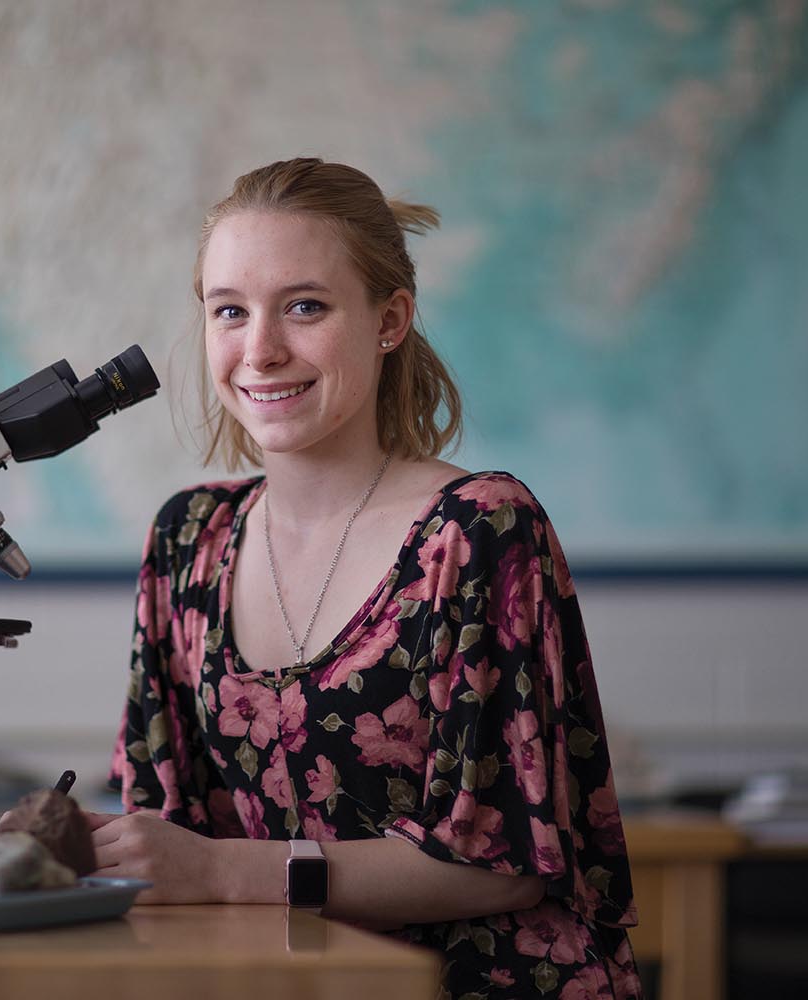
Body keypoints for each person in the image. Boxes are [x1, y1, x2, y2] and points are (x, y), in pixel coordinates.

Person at [95, 157, 642, 1000]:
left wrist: (228, 872)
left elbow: (502, 867)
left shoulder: (478, 530)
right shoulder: (187, 539)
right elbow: (168, 828)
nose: (261, 350)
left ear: (390, 320)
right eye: (229, 311)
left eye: (304, 306)